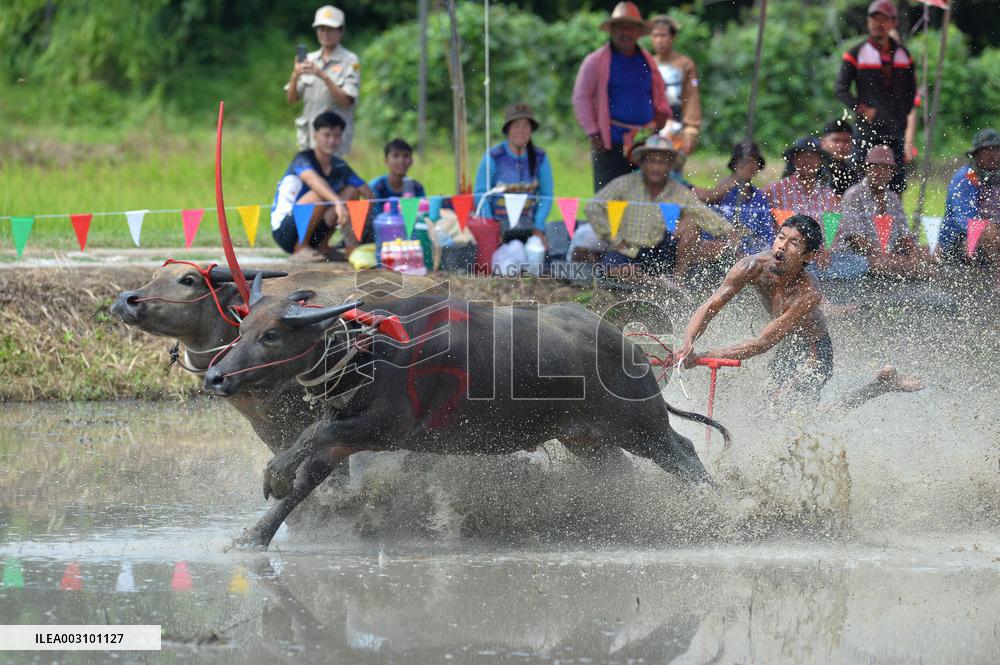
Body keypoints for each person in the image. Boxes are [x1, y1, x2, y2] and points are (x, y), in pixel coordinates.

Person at [677, 215, 923, 403]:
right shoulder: (750, 266)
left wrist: (701, 357)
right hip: (787, 348)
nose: (782, 246)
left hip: (814, 352)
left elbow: (762, 342)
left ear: (809, 257)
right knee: (768, 408)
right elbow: (711, 306)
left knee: (797, 415)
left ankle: (876, 388)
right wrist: (688, 342)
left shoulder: (807, 294)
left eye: (794, 242)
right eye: (780, 237)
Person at [585, 134, 733, 278]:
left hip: (660, 252)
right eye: (651, 161)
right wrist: (612, 236)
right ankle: (652, 282)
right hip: (627, 249)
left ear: (670, 165)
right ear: (642, 163)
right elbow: (593, 207)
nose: (656, 167)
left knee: (691, 225)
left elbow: (703, 213)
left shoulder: (678, 190)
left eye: (662, 162)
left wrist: (730, 232)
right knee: (614, 269)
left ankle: (677, 280)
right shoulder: (624, 184)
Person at [572, 2, 670, 192]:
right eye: (620, 27)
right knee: (609, 199)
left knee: (644, 200)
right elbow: (581, 97)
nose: (625, 32)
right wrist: (593, 133)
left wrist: (662, 113)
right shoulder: (595, 61)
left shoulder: (647, 60)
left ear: (638, 31)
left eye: (630, 27)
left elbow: (659, 92)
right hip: (609, 142)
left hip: (644, 142)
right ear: (612, 30)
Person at [834, 0, 916, 192]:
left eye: (883, 19)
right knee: (858, 177)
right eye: (874, 19)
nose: (878, 23)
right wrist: (863, 109)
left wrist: (901, 114)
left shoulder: (904, 55)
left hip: (895, 129)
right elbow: (840, 88)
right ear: (868, 22)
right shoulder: (856, 53)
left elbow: (911, 91)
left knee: (896, 183)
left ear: (893, 23)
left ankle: (894, 220)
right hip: (867, 128)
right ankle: (856, 220)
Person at [270, 112, 373, 262]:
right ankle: (301, 248)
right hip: (285, 233)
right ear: (315, 135)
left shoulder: (340, 166)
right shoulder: (302, 159)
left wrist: (358, 224)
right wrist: (338, 203)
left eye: (337, 136)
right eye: (327, 135)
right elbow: (314, 182)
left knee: (351, 191)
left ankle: (325, 246)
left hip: (315, 230)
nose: (332, 140)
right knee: (318, 195)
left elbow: (369, 194)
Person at [836, 146, 935, 279]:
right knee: (881, 264)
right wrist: (886, 255)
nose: (880, 172)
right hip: (862, 257)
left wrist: (913, 253)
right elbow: (855, 240)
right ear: (867, 169)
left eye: (886, 168)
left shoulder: (892, 197)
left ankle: (911, 270)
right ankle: (911, 271)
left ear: (892, 172)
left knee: (933, 251)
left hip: (892, 254)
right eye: (876, 167)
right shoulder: (853, 195)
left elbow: (904, 233)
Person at [473, 103, 554, 244]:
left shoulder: (540, 157)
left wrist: (539, 226)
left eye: (525, 126)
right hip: (499, 227)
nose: (521, 131)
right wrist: (491, 228)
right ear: (508, 130)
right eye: (516, 126)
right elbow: (481, 195)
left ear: (531, 130)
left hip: (531, 226)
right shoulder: (493, 157)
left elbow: (547, 195)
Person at [285, 5, 360, 155]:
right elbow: (291, 99)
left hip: (335, 140)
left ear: (341, 31)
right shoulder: (309, 59)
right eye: (321, 29)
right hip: (309, 137)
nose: (326, 34)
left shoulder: (350, 61)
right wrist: (295, 75)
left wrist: (323, 75)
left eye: (330, 29)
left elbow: (346, 101)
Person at [938, 129, 1000, 286]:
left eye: (996, 150)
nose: (992, 155)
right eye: (986, 151)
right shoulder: (965, 177)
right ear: (976, 154)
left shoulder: (996, 177)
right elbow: (966, 221)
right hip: (958, 242)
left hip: (991, 236)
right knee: (988, 229)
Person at [693, 140, 774, 255]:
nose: (750, 165)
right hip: (718, 253)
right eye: (745, 161)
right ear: (735, 164)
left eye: (754, 161)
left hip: (750, 255)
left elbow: (767, 235)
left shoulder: (760, 198)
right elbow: (708, 202)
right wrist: (737, 177)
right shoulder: (720, 192)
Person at [766, 137, 841, 236]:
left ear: (820, 161)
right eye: (802, 156)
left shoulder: (830, 195)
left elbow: (832, 236)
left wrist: (824, 251)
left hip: (818, 250)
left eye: (813, 156)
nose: (807, 160)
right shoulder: (774, 190)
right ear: (793, 160)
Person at [648, 15, 702, 156]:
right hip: (650, 128)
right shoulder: (648, 63)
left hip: (676, 128)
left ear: (672, 37)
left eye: (663, 35)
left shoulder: (685, 64)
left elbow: (691, 97)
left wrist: (691, 130)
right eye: (655, 35)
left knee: (672, 172)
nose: (659, 40)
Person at [368, 139, 426, 215]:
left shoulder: (417, 188)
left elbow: (423, 214)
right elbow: (375, 217)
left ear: (411, 161)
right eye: (395, 156)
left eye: (406, 156)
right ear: (386, 160)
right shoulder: (376, 186)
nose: (401, 160)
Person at [819, 119, 863, 196]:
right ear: (823, 142)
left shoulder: (854, 173)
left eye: (846, 141)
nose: (841, 146)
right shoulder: (813, 170)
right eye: (835, 140)